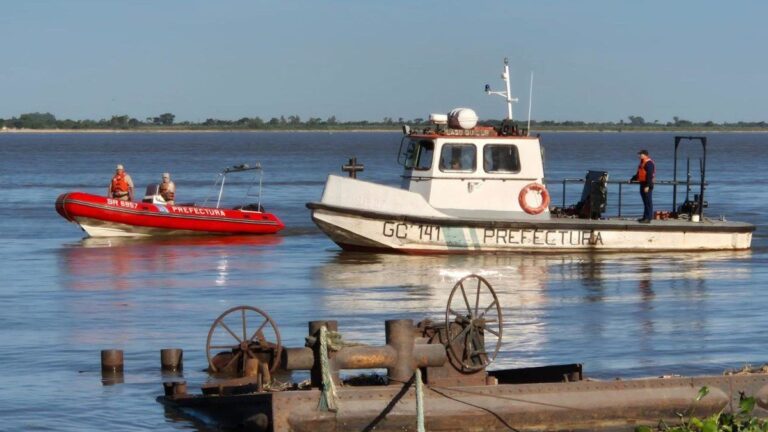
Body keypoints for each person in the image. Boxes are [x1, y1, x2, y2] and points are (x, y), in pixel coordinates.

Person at [631, 149, 655, 223]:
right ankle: (645, 217)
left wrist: (647, 186)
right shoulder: (642, 163)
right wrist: (632, 179)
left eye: (640, 154)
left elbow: (649, 175)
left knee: (648, 202)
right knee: (645, 202)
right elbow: (638, 174)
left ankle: (648, 218)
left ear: (645, 155)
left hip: (647, 184)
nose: (639, 156)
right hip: (642, 183)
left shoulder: (649, 163)